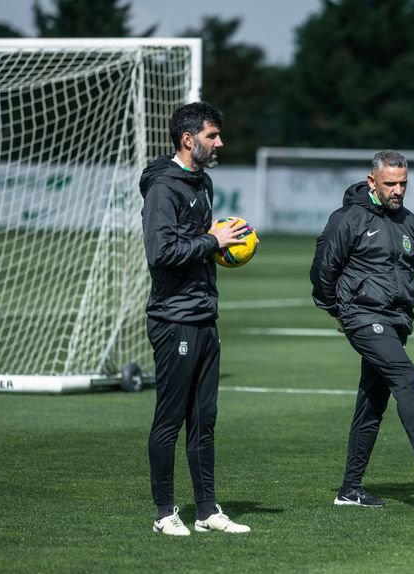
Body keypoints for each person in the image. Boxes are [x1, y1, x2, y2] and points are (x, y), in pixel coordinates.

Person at [310, 150, 414, 508]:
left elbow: (405, 275)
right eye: (390, 183)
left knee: (372, 405)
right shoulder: (348, 218)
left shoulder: (410, 222)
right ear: (371, 181)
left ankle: (349, 489)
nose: (397, 190)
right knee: (408, 378)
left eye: (403, 183)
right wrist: (338, 311)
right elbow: (322, 270)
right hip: (362, 316)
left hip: (396, 322)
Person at [139, 102, 252, 536]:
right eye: (212, 136)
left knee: (205, 419)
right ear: (189, 140)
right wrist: (211, 240)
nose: (219, 142)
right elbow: (160, 253)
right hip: (174, 318)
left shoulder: (201, 182)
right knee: (170, 418)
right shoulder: (163, 188)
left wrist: (220, 246)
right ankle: (164, 513)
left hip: (204, 315)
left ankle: (206, 510)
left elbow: (197, 245)